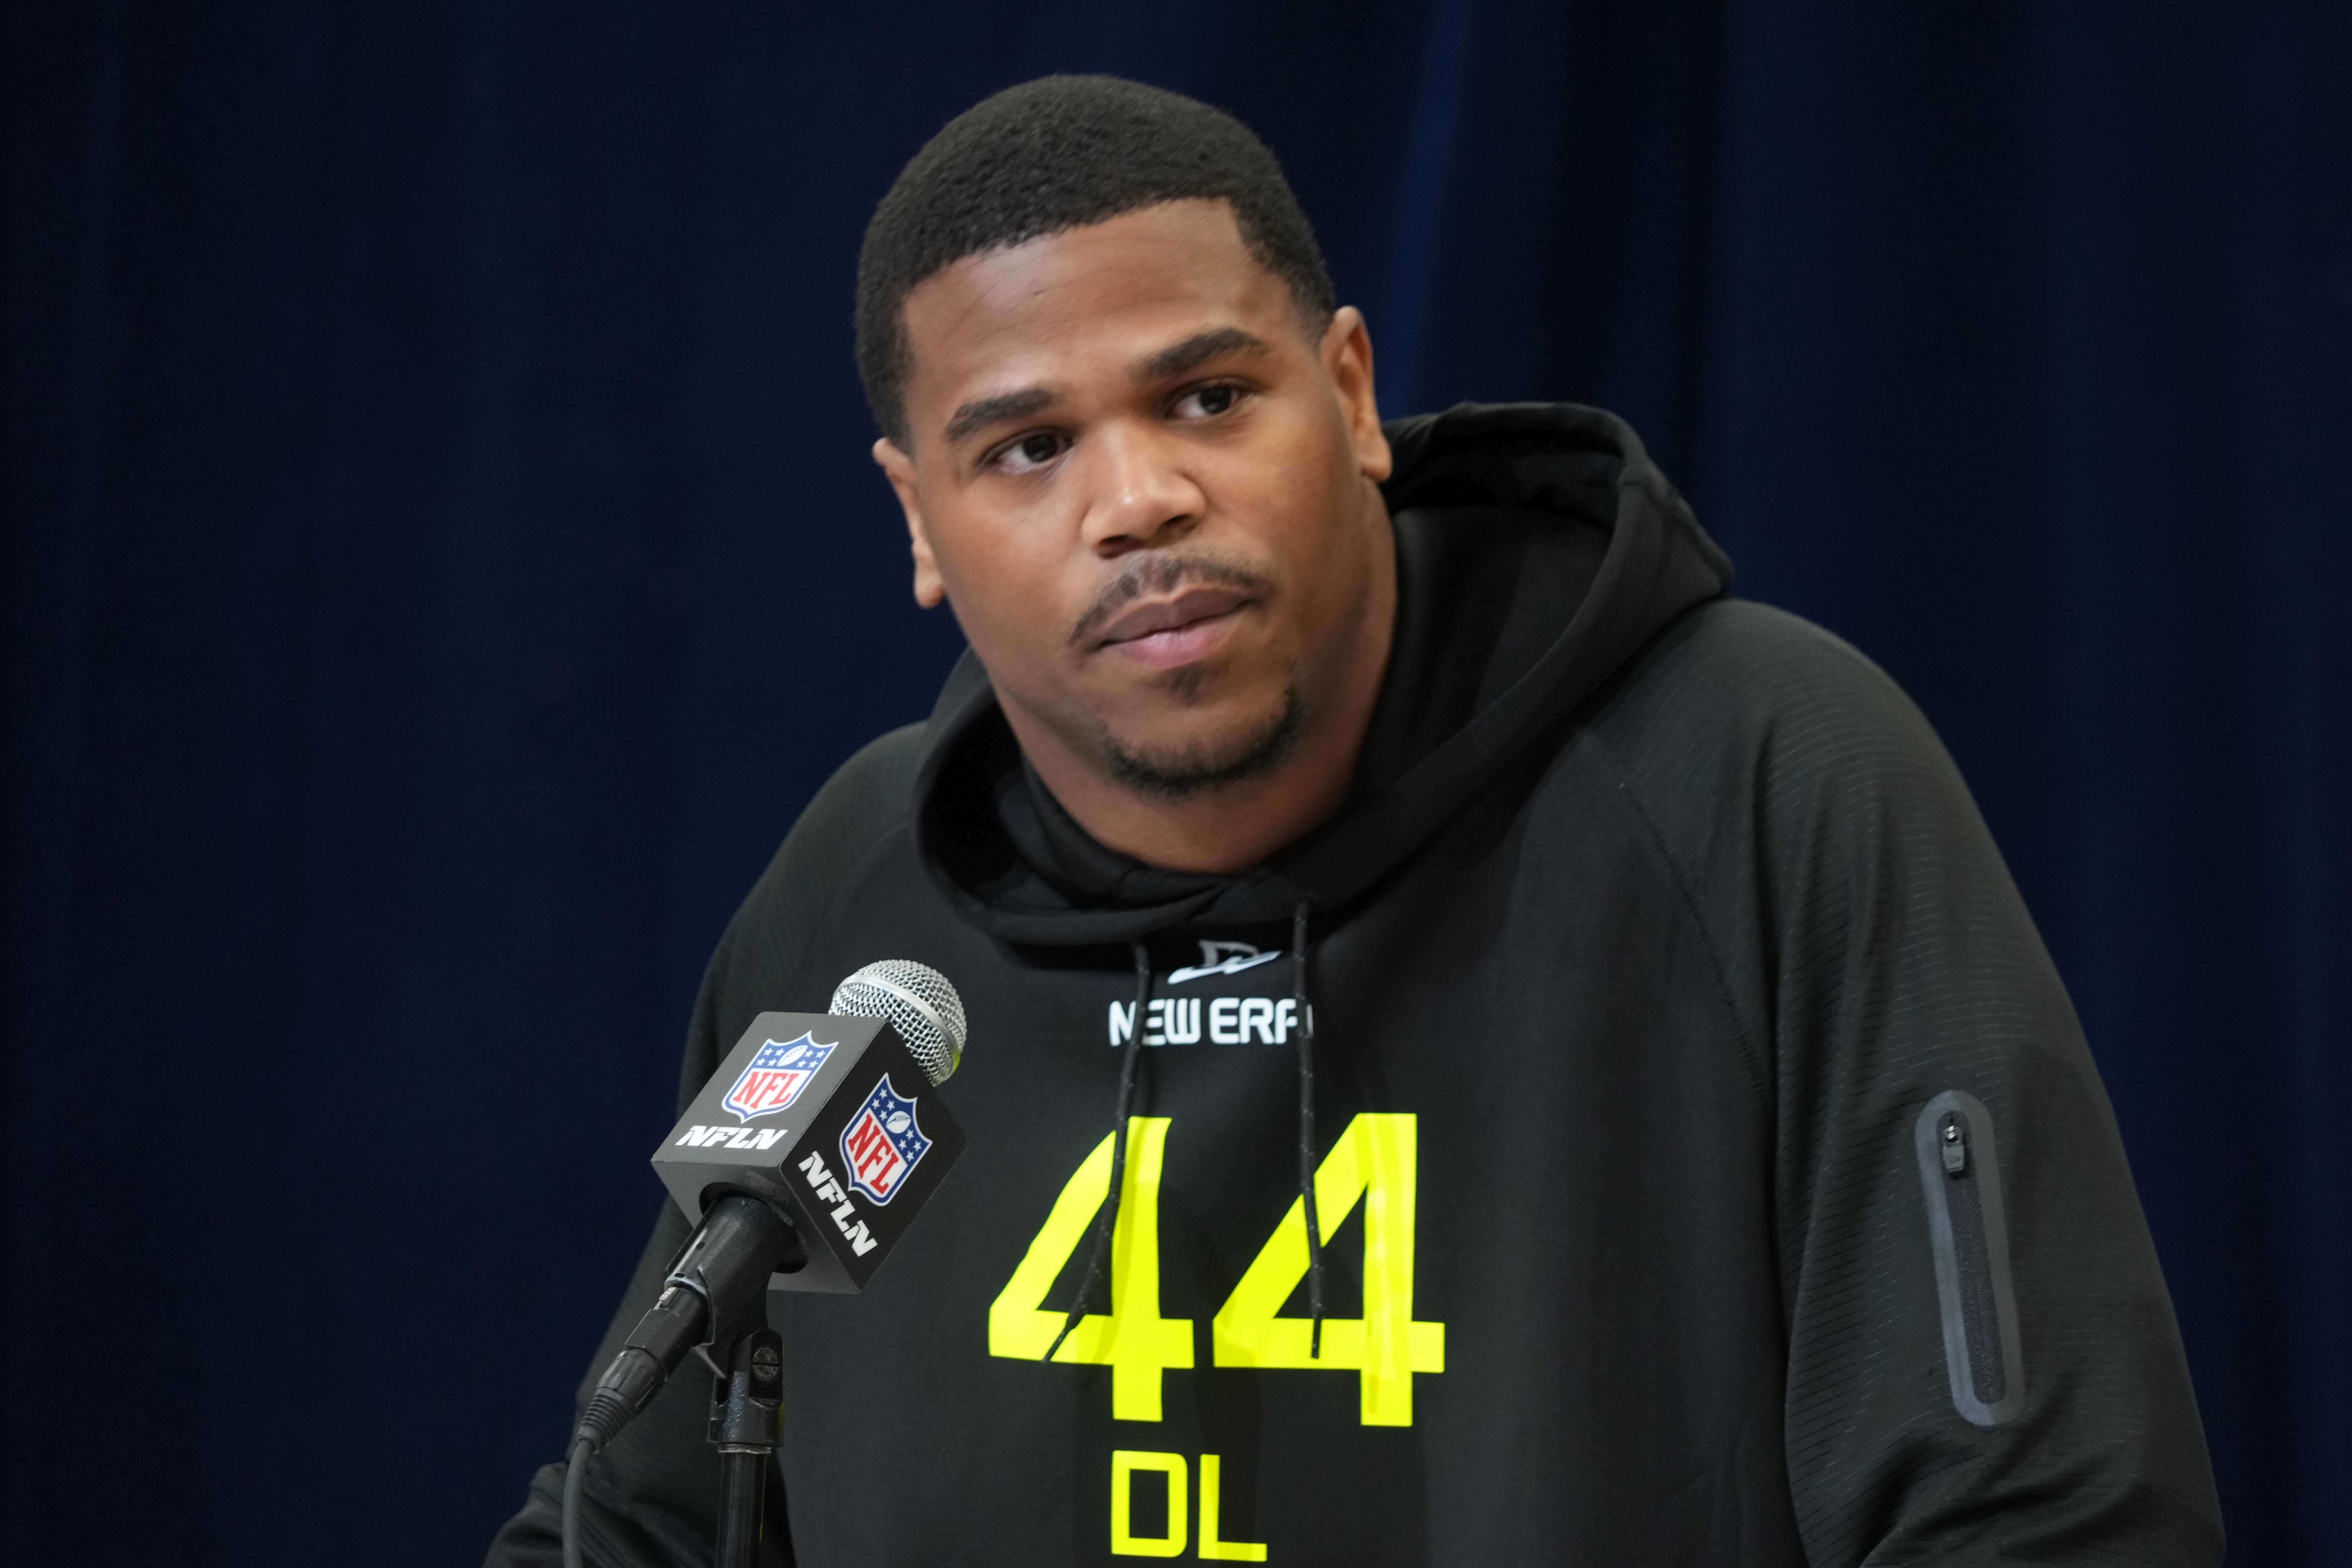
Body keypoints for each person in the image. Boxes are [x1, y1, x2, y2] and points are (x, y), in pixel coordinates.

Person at [486, 75, 2221, 1566]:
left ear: (1352, 391)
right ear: (916, 518)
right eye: (1025, 447)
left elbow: (2043, 1512)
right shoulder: (861, 894)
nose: (1138, 499)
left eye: (1206, 398)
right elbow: (637, 1525)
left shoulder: (1755, 772)